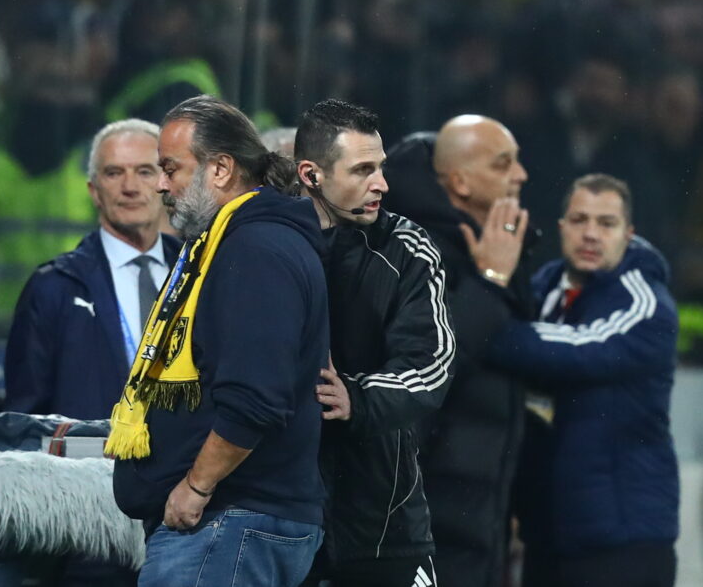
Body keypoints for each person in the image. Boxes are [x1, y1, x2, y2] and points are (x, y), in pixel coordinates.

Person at [109, 95, 327, 587]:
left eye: (170, 168)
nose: (161, 185)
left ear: (222, 169)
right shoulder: (229, 244)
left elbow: (255, 398)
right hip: (230, 526)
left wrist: (196, 486)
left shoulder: (256, 250)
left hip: (228, 522)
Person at [289, 99, 453, 586]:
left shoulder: (407, 248)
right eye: (363, 170)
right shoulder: (268, 245)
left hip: (384, 527)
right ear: (311, 175)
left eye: (379, 168)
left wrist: (357, 398)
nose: (381, 184)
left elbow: (432, 363)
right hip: (283, 520)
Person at [489, 174, 679, 587]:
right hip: (550, 536)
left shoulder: (644, 302)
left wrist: (486, 320)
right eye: (579, 220)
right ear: (561, 227)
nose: (591, 234)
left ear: (628, 233)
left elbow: (578, 348)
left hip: (623, 543)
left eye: (606, 223)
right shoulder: (545, 287)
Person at [381, 114, 534, 587]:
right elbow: (434, 364)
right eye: (503, 164)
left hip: (476, 519)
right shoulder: (415, 251)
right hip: (429, 522)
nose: (521, 175)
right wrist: (489, 283)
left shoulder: (498, 248)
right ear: (461, 182)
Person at [4, 118, 179, 419]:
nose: (130, 187)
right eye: (114, 173)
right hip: (92, 451)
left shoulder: (200, 272)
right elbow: (26, 419)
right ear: (94, 191)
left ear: (166, 184)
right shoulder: (53, 288)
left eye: (145, 172)